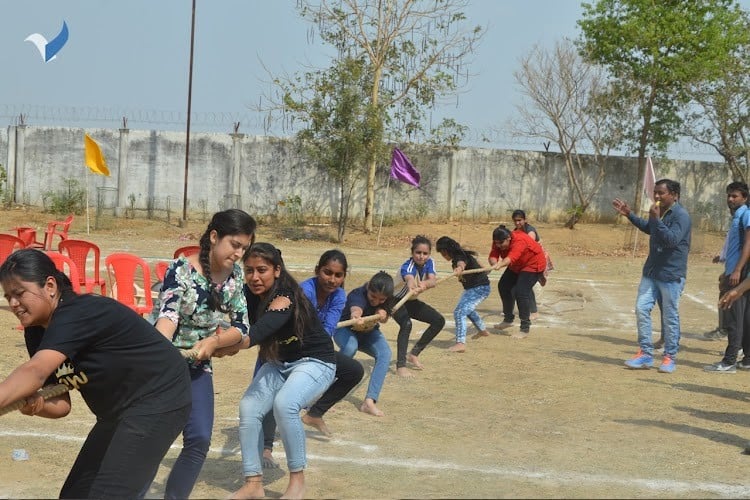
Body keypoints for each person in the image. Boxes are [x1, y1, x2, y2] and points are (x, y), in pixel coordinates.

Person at [0, 249, 192, 498]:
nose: (13, 304)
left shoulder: (77, 312)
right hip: (116, 412)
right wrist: (37, 405)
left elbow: (34, 371)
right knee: (75, 495)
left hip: (158, 400)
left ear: (49, 285)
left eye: (19, 294)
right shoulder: (36, 331)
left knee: (108, 494)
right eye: (8, 296)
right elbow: (61, 404)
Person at [155, 208, 256, 499]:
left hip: (199, 365)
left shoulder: (236, 276)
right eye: (235, 245)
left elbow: (241, 326)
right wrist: (162, 352)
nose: (239, 254)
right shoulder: (181, 269)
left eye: (244, 248)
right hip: (166, 363)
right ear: (214, 237)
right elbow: (168, 316)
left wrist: (214, 343)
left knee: (198, 439)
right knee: (154, 438)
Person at [224, 242, 336, 500]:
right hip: (279, 364)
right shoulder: (248, 294)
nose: (254, 277)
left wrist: (225, 346)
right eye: (249, 270)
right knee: (249, 408)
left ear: (276, 269)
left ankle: (297, 481)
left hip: (315, 362)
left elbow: (260, 331)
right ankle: (253, 483)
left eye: (261, 270)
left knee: (285, 404)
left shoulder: (284, 296)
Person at [259, 249, 363, 467]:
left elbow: (327, 331)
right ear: (317, 270)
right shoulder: (304, 291)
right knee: (268, 395)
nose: (332, 279)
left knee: (353, 370)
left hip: (312, 351)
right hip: (283, 349)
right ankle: (266, 448)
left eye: (338, 275)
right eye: (327, 273)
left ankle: (314, 413)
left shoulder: (340, 296)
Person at [612, 178, 691, 373]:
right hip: (651, 272)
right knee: (641, 309)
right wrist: (630, 214)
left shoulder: (681, 215)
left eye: (661, 193)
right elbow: (650, 229)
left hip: (671, 275)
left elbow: (671, 240)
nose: (656, 196)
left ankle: (669, 357)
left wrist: (656, 220)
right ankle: (646, 354)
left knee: (670, 317)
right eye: (655, 192)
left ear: (674, 195)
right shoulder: (660, 212)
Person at [333, 271, 394, 417]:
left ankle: (369, 401)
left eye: (381, 299)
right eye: (373, 297)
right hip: (346, 331)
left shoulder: (387, 299)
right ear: (368, 288)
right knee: (350, 347)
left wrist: (382, 313)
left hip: (368, 333)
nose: (376, 301)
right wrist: (356, 316)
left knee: (385, 353)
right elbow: (356, 307)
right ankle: (325, 392)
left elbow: (384, 315)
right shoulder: (357, 294)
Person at [704, 181, 750, 372]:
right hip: (735, 271)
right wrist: (726, 266)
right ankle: (747, 358)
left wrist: (737, 270)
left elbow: (749, 243)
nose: (730, 199)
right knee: (745, 318)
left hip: (740, 274)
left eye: (735, 196)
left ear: (744, 198)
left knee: (733, 318)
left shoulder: (746, 214)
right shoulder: (738, 215)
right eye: (729, 196)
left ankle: (729, 361)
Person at [393, 235, 446, 377]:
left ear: (429, 254)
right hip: (395, 300)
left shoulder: (430, 263)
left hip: (410, 301)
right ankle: (401, 366)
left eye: (425, 253)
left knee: (439, 320)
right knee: (406, 324)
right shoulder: (407, 266)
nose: (421, 257)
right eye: (418, 253)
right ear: (412, 252)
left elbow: (432, 280)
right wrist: (412, 287)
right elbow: (409, 279)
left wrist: (425, 284)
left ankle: (414, 353)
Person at [488, 224, 547, 339]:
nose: (498, 246)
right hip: (516, 265)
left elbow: (512, 257)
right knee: (504, 286)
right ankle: (508, 319)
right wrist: (494, 263)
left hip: (532, 264)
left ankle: (524, 328)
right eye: (496, 243)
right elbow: (493, 254)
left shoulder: (520, 240)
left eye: (501, 243)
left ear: (508, 239)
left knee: (521, 292)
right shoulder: (498, 241)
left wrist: (500, 264)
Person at [435, 236, 491, 351]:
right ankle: (483, 330)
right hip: (471, 289)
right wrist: (485, 269)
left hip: (480, 288)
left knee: (459, 311)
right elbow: (479, 265)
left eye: (441, 253)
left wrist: (459, 268)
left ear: (446, 251)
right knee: (467, 309)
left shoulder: (460, 257)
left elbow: (461, 263)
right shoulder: (463, 255)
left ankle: (460, 343)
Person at [511, 209, 541, 318]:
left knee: (525, 285)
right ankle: (512, 309)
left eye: (519, 220)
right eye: (515, 221)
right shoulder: (515, 231)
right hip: (524, 260)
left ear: (525, 220)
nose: (517, 223)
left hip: (535, 260)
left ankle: (534, 311)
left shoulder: (530, 231)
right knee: (519, 284)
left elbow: (528, 247)